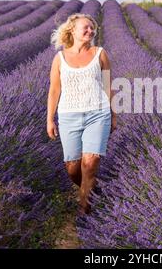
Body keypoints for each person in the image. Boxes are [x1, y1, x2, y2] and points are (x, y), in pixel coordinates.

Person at [47, 13, 117, 214]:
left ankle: (84, 208)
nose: (90, 31)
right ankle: (90, 189)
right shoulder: (59, 58)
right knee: (73, 168)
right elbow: (54, 90)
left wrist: (113, 115)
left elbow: (108, 86)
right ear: (72, 30)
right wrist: (50, 119)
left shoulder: (100, 53)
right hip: (69, 116)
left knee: (90, 162)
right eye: (85, 27)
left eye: (92, 28)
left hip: (98, 112)